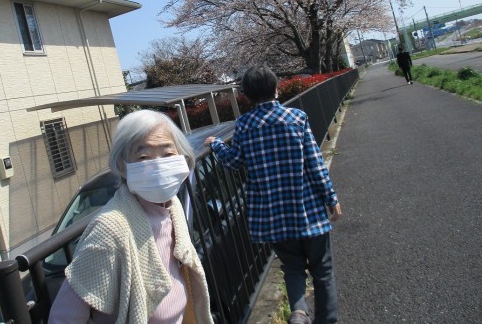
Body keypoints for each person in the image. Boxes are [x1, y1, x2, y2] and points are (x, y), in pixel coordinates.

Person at [204, 65, 342, 324]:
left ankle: (299, 312)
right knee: (323, 271)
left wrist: (217, 145)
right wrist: (331, 198)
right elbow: (315, 164)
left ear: (247, 96)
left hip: (274, 218)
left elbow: (233, 161)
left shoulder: (244, 124)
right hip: (309, 212)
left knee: (292, 267)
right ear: (277, 89)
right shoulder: (297, 118)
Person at [49, 109, 213, 324]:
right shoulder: (109, 230)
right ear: (122, 166)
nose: (158, 165)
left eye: (167, 154)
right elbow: (63, 318)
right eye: (143, 157)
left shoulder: (172, 207)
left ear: (182, 156)